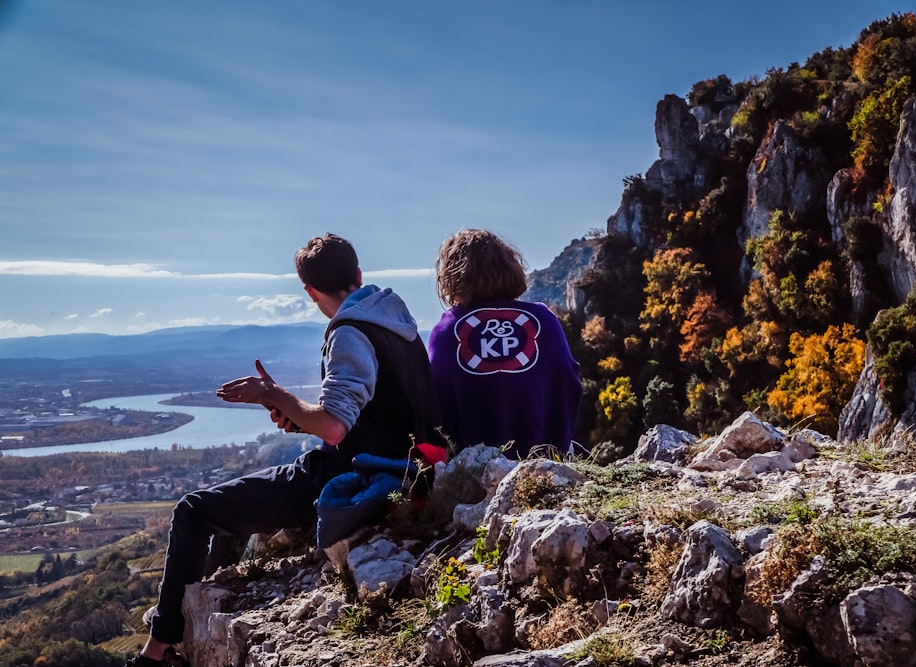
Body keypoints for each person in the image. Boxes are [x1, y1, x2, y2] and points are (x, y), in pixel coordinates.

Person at [128, 233, 445, 667]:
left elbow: (334, 427)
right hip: (411, 473)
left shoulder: (351, 332)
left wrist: (273, 395)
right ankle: (202, 603)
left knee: (194, 510)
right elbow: (377, 411)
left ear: (309, 292)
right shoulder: (396, 320)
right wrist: (296, 413)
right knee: (232, 509)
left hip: (354, 478)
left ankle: (159, 650)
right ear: (357, 275)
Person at [428, 229, 582, 459]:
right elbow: (568, 381)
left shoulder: (447, 330)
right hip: (546, 463)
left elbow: (434, 400)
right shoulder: (544, 320)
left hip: (469, 469)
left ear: (452, 278)